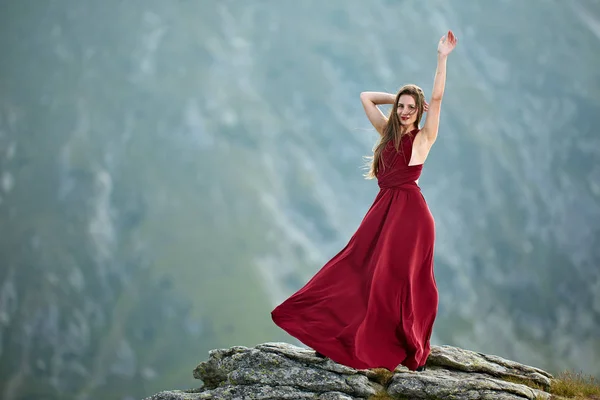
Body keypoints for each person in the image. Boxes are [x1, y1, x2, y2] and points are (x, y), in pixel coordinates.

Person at [271, 30, 458, 372]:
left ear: (419, 112)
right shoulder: (386, 130)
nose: (403, 111)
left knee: (394, 280)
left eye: (409, 108)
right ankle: (342, 333)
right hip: (384, 210)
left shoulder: (424, 137)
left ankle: (395, 344)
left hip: (411, 217)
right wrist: (400, 94)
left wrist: (441, 59)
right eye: (401, 107)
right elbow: (365, 97)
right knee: (356, 266)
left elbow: (439, 98)